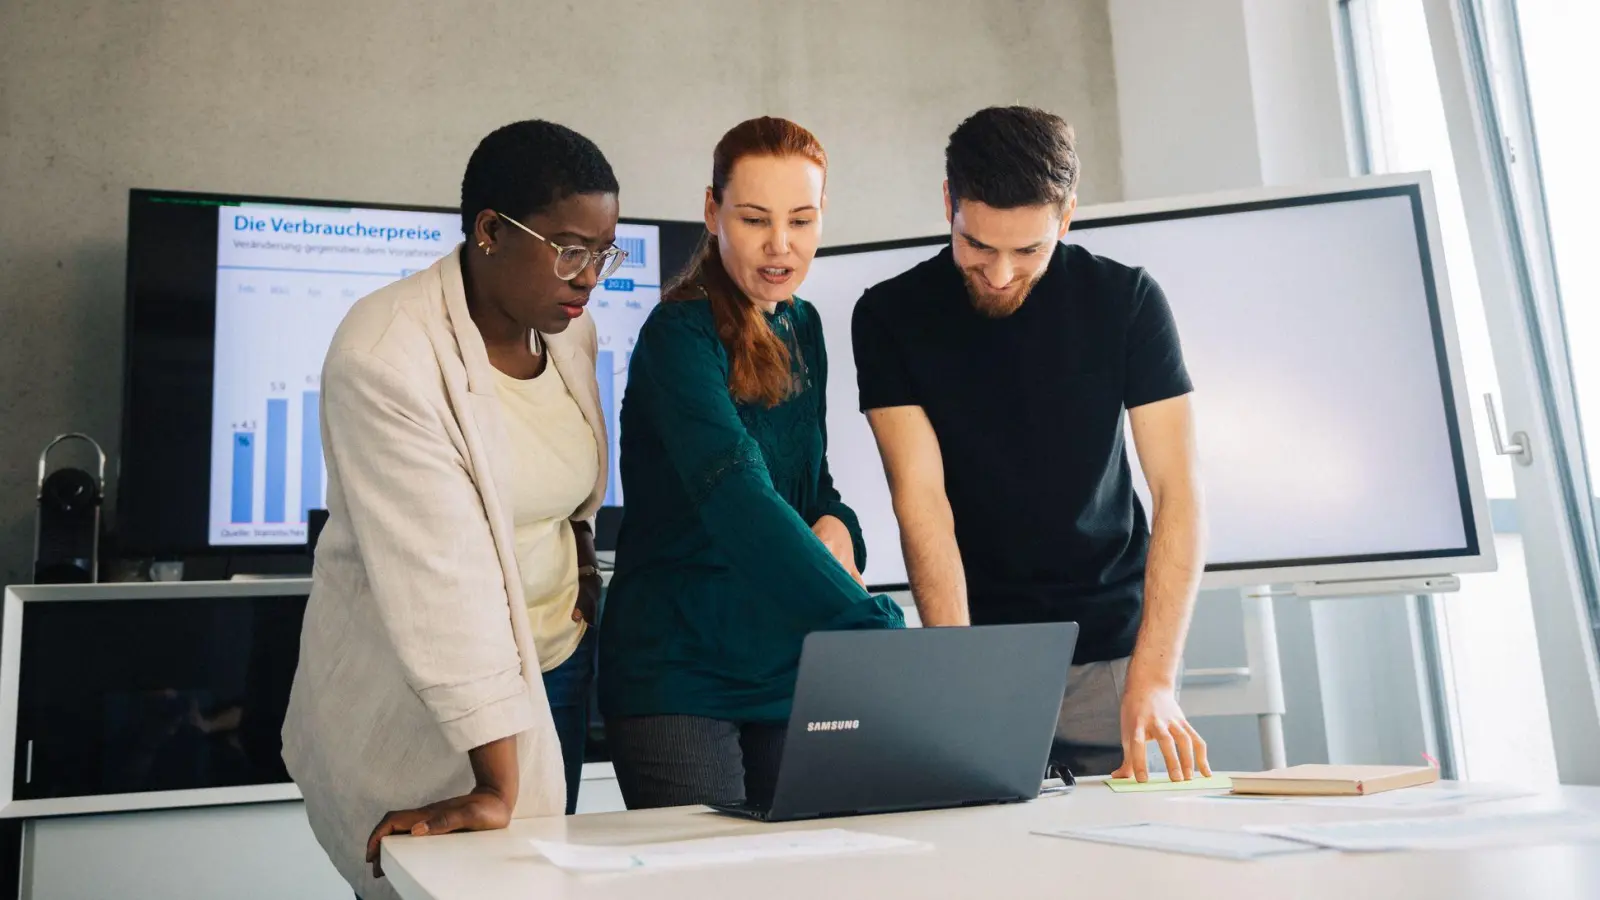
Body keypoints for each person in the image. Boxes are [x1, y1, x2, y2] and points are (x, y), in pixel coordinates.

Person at [282, 120, 622, 899]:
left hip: (556, 670)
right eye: (571, 249)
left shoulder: (570, 333)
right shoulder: (386, 354)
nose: (590, 276)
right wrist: (498, 787)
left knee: (538, 884)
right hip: (426, 694)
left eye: (605, 252)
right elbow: (444, 585)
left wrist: (578, 582)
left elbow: (566, 491)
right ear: (491, 232)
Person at [851, 106, 1211, 783]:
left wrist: (1155, 677)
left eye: (1029, 251)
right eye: (978, 247)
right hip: (983, 650)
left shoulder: (1126, 301)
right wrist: (958, 672)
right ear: (949, 204)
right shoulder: (889, 316)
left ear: (1067, 216)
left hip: (1115, 652)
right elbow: (921, 500)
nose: (1000, 274)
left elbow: (1178, 493)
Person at [599, 117, 904, 810]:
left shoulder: (805, 327)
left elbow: (812, 484)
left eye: (801, 220)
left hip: (785, 663)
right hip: (679, 667)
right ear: (712, 212)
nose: (780, 246)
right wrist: (867, 621)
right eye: (755, 219)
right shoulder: (679, 335)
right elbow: (736, 494)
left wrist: (841, 525)